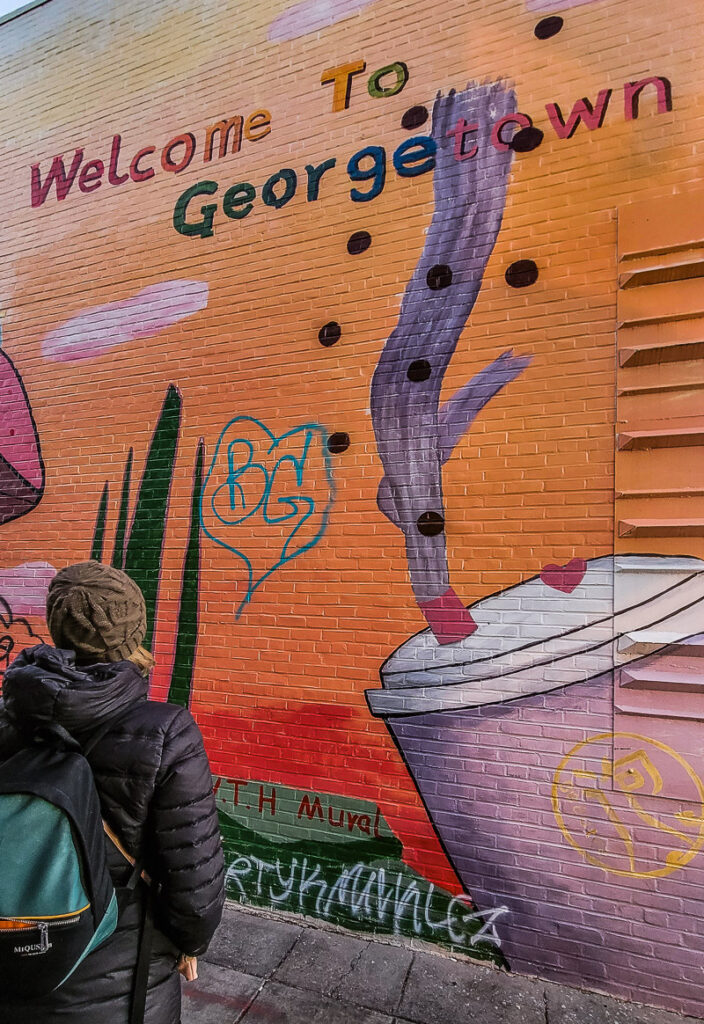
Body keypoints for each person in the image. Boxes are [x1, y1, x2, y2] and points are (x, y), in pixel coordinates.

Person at [0, 561, 225, 1023]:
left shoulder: (8, 718)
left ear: (56, 624)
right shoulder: (166, 732)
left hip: (13, 948)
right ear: (134, 630)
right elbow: (194, 874)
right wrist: (188, 943)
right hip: (120, 971)